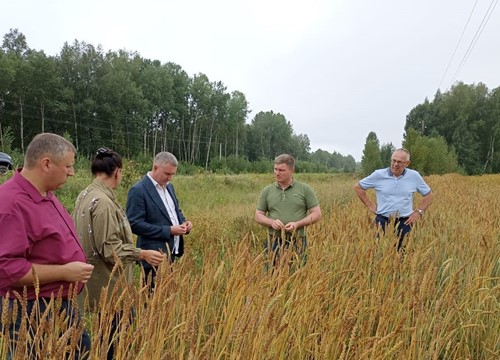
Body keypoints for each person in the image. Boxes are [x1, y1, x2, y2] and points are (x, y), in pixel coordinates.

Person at [0, 133, 94, 359]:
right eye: (68, 166)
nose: (71, 172)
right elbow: (7, 268)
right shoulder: (11, 203)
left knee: (81, 350)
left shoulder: (47, 193)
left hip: (57, 304)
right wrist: (64, 271)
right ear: (46, 164)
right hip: (31, 310)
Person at [72, 147, 164, 359]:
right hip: (109, 285)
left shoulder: (85, 194)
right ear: (117, 172)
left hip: (94, 283)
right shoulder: (103, 203)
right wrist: (142, 254)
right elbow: (110, 249)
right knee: (113, 341)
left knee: (107, 337)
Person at [126, 151, 193, 287]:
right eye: (167, 174)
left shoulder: (169, 187)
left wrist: (184, 222)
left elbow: (175, 211)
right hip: (152, 256)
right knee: (151, 302)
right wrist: (168, 230)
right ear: (155, 167)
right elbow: (134, 224)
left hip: (172, 251)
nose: (170, 178)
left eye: (173, 174)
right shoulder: (138, 190)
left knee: (166, 299)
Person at [354, 148, 434, 251]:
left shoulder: (414, 176)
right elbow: (358, 187)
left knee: (404, 254)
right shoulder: (378, 175)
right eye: (393, 160)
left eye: (399, 162)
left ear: (407, 163)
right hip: (382, 221)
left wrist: (418, 212)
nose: (395, 164)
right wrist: (370, 205)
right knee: (379, 253)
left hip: (405, 222)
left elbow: (429, 195)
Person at [255, 154, 322, 266]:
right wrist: (272, 222)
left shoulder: (305, 189)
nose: (277, 173)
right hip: (273, 241)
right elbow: (258, 215)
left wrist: (297, 224)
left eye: (281, 170)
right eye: (275, 169)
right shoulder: (267, 191)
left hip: (298, 241)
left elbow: (317, 214)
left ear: (291, 170)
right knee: (272, 276)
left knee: (298, 273)